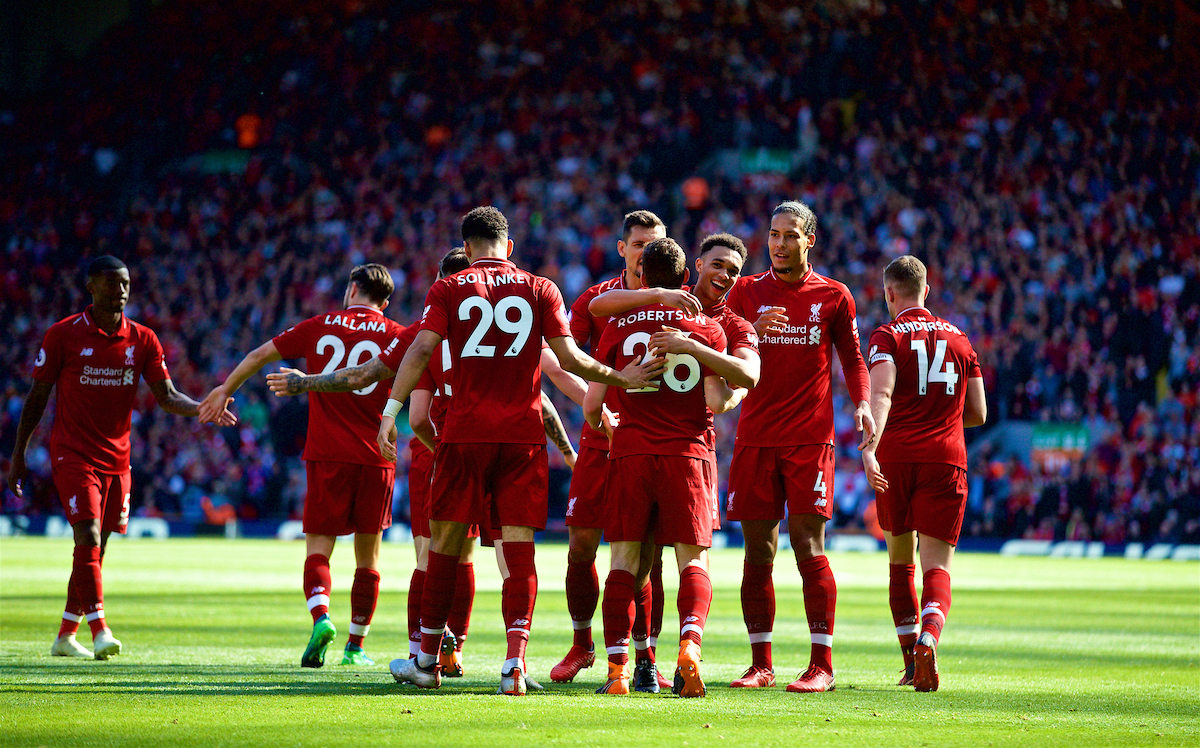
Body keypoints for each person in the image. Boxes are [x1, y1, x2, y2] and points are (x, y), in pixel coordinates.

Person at [377, 206, 662, 695]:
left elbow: (421, 350)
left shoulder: (447, 288)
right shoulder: (540, 287)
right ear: (508, 247)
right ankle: (514, 665)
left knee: (444, 545)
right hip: (522, 436)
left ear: (466, 250)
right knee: (518, 549)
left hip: (464, 433)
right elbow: (569, 358)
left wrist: (390, 411)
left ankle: (426, 660)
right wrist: (620, 378)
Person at [266, 249, 581, 683]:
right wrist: (576, 440)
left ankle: (423, 653)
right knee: (508, 557)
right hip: (514, 442)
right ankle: (506, 660)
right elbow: (551, 388)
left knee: (430, 557)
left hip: (448, 449)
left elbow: (405, 407)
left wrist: (307, 384)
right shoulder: (522, 317)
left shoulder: (425, 332)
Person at [7, 255, 235, 660]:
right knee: (89, 537)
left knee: (96, 549)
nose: (121, 291)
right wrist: (19, 452)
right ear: (91, 287)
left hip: (118, 460)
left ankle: (65, 635)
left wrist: (203, 407)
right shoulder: (62, 335)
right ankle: (100, 630)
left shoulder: (143, 339)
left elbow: (167, 397)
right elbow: (37, 395)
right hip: (72, 453)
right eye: (112, 284)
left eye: (126, 283)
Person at [198, 263, 405, 668]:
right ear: (386, 300)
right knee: (369, 558)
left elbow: (260, 354)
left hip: (327, 454)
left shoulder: (320, 324)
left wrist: (226, 389)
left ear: (353, 288)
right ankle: (355, 648)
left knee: (319, 549)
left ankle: (321, 617)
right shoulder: (397, 334)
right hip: (377, 455)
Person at [723, 201, 875, 693]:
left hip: (810, 439)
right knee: (757, 553)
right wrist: (746, 337)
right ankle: (760, 663)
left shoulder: (834, 295)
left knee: (808, 546)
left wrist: (863, 403)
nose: (779, 243)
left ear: (810, 240)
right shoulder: (746, 292)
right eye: (773, 234)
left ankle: (822, 665)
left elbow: (852, 358)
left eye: (790, 235)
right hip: (755, 436)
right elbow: (715, 342)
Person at [586, 237, 738, 697]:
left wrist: (611, 424)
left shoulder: (618, 323)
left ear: (644, 278)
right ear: (685, 277)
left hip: (631, 450)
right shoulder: (706, 327)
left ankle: (617, 672)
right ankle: (689, 648)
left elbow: (594, 405)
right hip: (688, 454)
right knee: (692, 560)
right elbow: (717, 399)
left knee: (625, 561)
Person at [551, 209, 676, 692]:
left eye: (656, 243)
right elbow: (561, 357)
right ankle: (583, 644)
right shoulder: (595, 300)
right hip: (599, 438)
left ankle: (646, 656)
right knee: (582, 545)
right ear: (622, 248)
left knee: (650, 556)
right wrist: (593, 403)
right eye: (640, 243)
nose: (647, 252)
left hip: (652, 438)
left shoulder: (678, 301)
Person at [860, 255, 986, 692]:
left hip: (895, 460)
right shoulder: (961, 340)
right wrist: (941, 416)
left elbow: (882, 392)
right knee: (938, 567)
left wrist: (870, 447)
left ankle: (910, 661)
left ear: (889, 293)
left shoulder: (886, 335)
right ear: (926, 291)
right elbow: (979, 412)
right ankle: (930, 639)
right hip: (945, 459)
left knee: (900, 563)